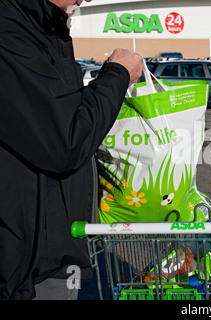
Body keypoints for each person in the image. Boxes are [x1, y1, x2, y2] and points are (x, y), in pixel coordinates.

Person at [0, 0, 143, 299]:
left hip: (53, 251)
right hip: (25, 267)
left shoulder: (41, 30)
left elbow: (60, 121)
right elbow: (67, 141)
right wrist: (116, 76)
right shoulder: (10, 33)